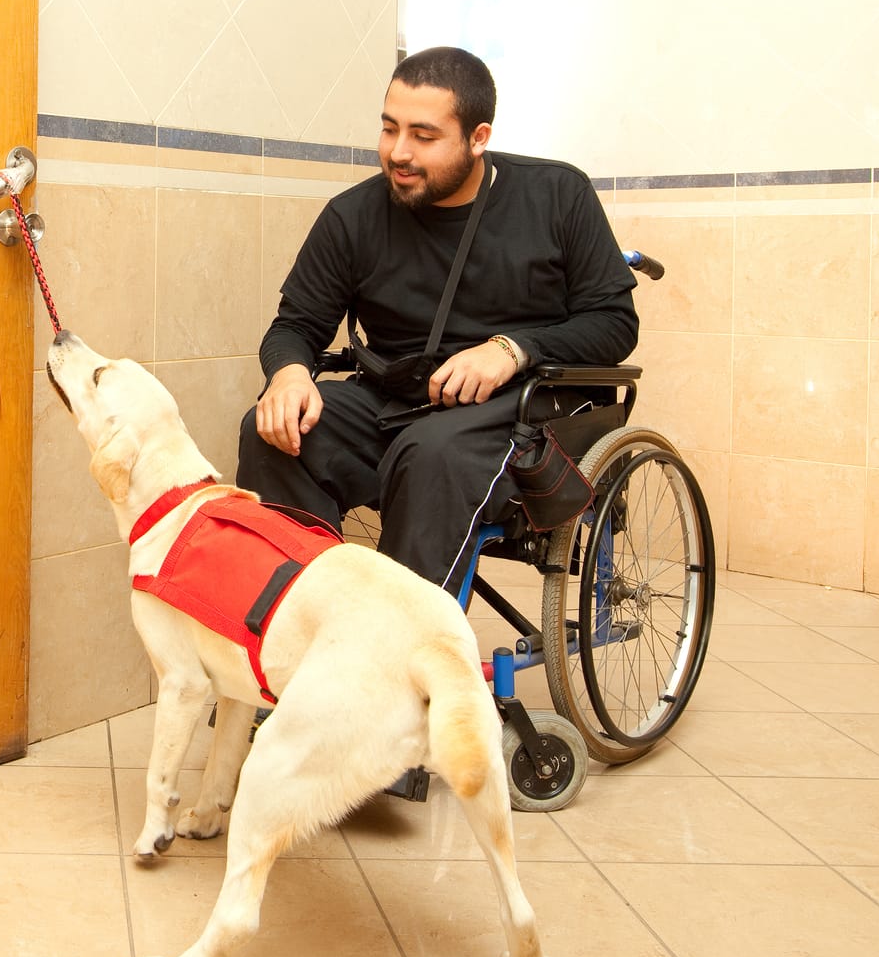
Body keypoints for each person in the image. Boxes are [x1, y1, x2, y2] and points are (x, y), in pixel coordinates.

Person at [236, 46, 637, 597]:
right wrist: (288, 375)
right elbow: (294, 326)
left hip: (523, 409)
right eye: (389, 129)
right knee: (275, 432)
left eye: (424, 137)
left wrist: (511, 350)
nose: (399, 152)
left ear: (477, 138)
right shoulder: (352, 217)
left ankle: (402, 657)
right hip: (398, 401)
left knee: (431, 454)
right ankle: (301, 621)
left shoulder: (558, 195)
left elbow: (614, 324)